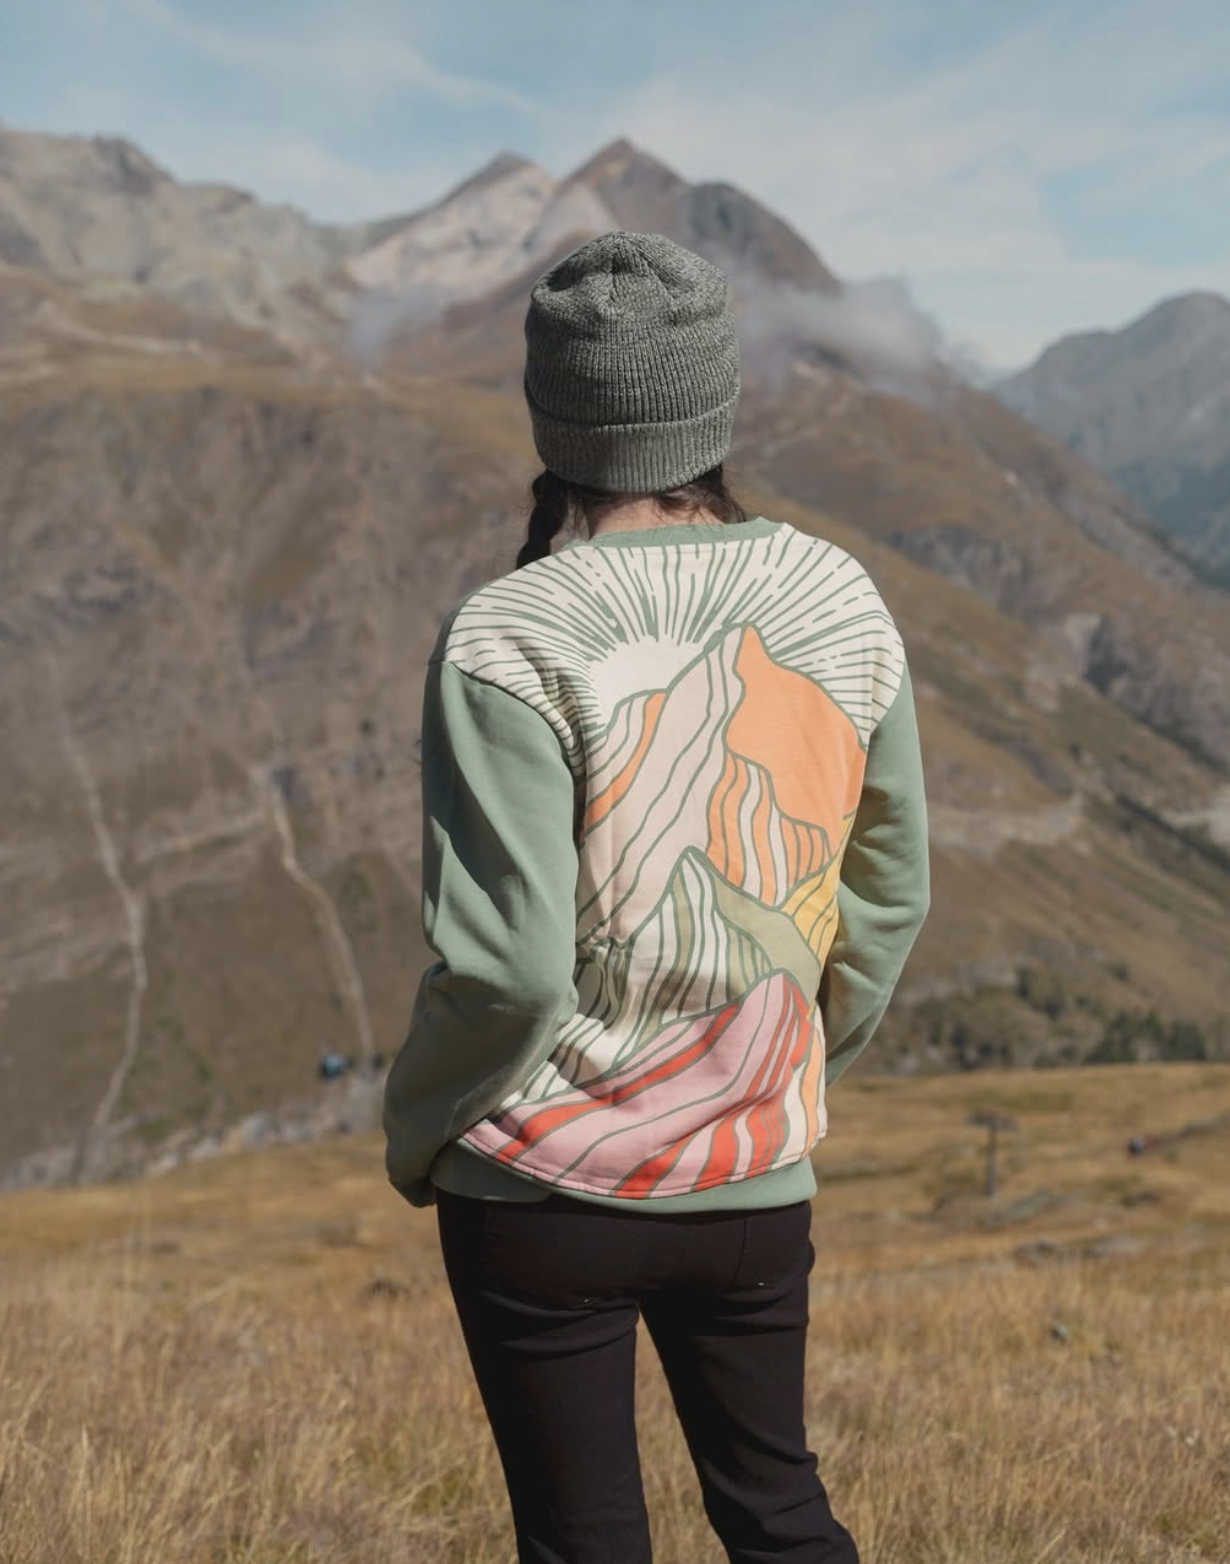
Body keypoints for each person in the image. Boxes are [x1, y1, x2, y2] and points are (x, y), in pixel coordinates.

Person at [383, 230, 930, 1564]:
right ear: (713, 403)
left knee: (583, 1543)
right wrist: (786, 1070)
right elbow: (889, 891)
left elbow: (509, 972)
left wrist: (422, 1123)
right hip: (752, 1175)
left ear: (549, 409)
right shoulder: (837, 596)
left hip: (538, 1194)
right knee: (781, 1514)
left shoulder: (510, 631)